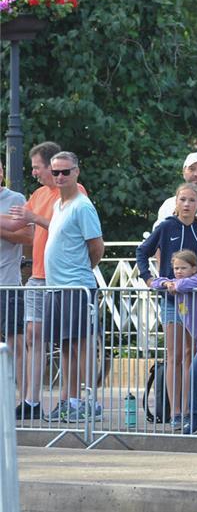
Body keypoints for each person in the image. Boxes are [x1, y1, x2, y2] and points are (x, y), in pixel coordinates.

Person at [7, 141, 87, 420]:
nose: (35, 173)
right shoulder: (40, 194)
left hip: (62, 279)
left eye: (37, 167)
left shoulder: (73, 193)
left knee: (67, 341)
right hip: (39, 275)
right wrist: (27, 217)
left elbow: (70, 230)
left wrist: (34, 218)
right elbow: (16, 223)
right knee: (31, 336)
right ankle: (31, 400)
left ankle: (69, 399)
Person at [137, 182, 197, 429]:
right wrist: (148, 278)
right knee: (174, 355)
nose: (187, 204)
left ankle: (191, 409)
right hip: (171, 300)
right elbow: (142, 251)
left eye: (192, 200)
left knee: (192, 355)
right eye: (183, 200)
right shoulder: (166, 226)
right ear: (176, 203)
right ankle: (175, 410)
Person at [40, 151, 105, 422]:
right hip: (58, 286)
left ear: (77, 172)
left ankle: (83, 400)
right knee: (65, 346)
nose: (61, 177)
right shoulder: (58, 205)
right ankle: (68, 399)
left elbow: (96, 247)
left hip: (77, 286)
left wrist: (79, 272)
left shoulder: (83, 206)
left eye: (66, 171)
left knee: (80, 345)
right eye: (56, 172)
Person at [149, 249, 197, 434]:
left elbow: (195, 282)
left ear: (194, 268)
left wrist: (177, 284)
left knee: (195, 372)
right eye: (176, 268)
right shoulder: (175, 282)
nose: (178, 271)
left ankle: (196, 414)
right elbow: (155, 282)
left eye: (183, 268)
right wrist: (168, 282)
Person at [0, 160, 32, 405]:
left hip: (7, 283)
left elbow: (27, 235)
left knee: (16, 342)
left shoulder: (15, 199)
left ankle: (24, 401)